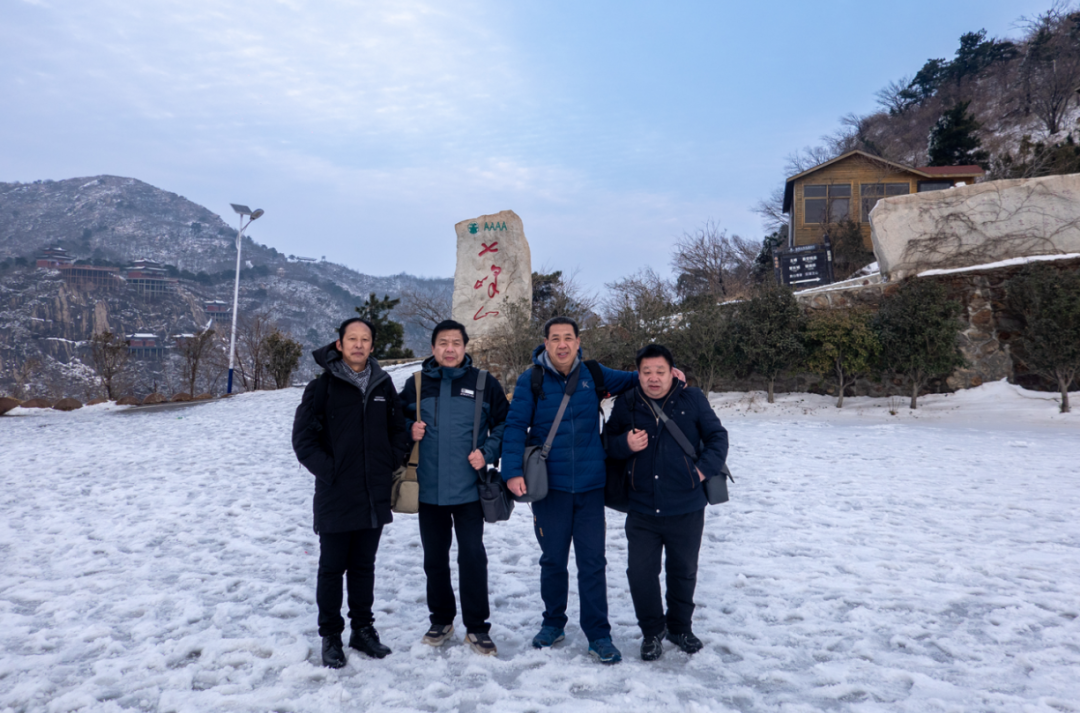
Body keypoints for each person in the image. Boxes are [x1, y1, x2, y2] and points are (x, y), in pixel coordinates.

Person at [502, 317, 683, 664]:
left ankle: (598, 633)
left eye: (568, 338)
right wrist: (511, 472)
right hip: (549, 488)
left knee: (593, 562)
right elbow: (514, 426)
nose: (562, 344)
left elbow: (637, 378)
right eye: (555, 338)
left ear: (578, 341)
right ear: (546, 343)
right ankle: (553, 622)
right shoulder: (532, 379)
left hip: (589, 488)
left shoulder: (593, 374)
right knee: (553, 560)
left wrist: (672, 375)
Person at [291, 317, 409, 668]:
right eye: (352, 339)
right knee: (332, 567)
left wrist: (391, 459)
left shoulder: (383, 385)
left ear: (373, 346)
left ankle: (363, 629)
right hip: (336, 493)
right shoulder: (322, 388)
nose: (359, 345)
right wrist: (332, 472)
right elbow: (304, 441)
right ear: (339, 345)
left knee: (363, 566)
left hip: (373, 491)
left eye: (365, 339)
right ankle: (330, 636)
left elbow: (397, 429)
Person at [603, 344, 728, 661]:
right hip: (642, 508)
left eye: (660, 371)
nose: (653, 378)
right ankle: (651, 632)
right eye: (646, 372)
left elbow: (717, 437)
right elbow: (606, 445)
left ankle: (680, 628)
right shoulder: (628, 402)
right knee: (641, 574)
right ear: (638, 374)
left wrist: (701, 471)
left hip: (686, 506)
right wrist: (624, 444)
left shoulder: (693, 399)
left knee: (683, 570)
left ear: (672, 372)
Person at [398, 320, 508, 656]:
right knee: (434, 559)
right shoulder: (416, 384)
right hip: (428, 489)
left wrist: (487, 453)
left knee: (472, 558)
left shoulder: (483, 383)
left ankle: (477, 627)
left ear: (464, 347)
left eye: (456, 343)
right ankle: (441, 620)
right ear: (433, 348)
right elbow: (391, 423)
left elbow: (506, 424)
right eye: (443, 343)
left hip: (469, 491)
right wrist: (408, 430)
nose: (449, 349)